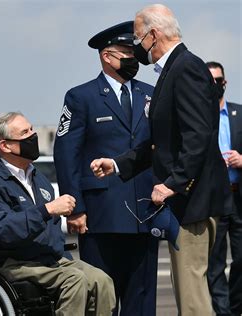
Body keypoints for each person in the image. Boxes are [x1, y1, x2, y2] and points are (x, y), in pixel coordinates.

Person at [90, 4, 232, 315]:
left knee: (193, 299)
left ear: (154, 35)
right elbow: (161, 144)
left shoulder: (187, 68)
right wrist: (117, 164)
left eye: (138, 38)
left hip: (192, 202)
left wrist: (173, 184)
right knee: (188, 294)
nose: (136, 46)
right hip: (186, 201)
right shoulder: (173, 70)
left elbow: (198, 136)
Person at [53, 21, 157, 316]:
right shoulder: (81, 97)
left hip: (145, 212)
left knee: (142, 297)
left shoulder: (150, 94)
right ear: (106, 56)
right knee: (101, 297)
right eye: (126, 53)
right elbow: (66, 153)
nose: (133, 59)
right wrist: (74, 207)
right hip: (100, 214)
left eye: (134, 53)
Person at [0, 112, 116, 316]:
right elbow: (4, 230)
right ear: (5, 146)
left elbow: (52, 231)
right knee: (75, 280)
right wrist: (47, 210)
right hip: (14, 261)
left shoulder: (38, 178)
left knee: (102, 280)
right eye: (25, 132)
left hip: (47, 259)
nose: (33, 135)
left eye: (32, 129)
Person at [206, 61, 242, 316]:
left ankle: (236, 306)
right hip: (213, 200)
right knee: (214, 262)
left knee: (241, 260)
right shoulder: (198, 116)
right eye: (209, 81)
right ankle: (223, 312)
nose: (214, 85)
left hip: (238, 196)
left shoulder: (239, 113)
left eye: (218, 80)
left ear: (225, 83)